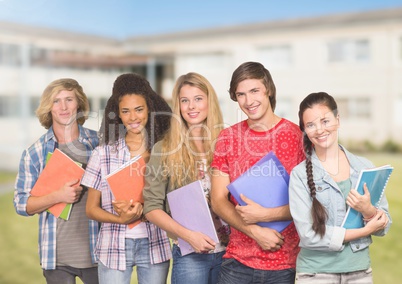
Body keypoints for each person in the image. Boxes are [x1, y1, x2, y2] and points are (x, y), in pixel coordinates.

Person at [210, 61, 305, 284]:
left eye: (254, 91)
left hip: (286, 264)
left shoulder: (298, 137)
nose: (249, 101)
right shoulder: (227, 138)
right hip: (236, 264)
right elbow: (217, 199)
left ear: (268, 90)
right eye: (241, 94)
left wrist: (266, 215)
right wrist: (255, 231)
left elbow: (311, 203)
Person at [288, 92, 391, 283]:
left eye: (325, 121)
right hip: (315, 274)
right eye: (311, 125)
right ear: (305, 131)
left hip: (359, 272)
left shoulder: (365, 167)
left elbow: (384, 226)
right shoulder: (300, 175)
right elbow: (308, 235)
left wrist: (368, 210)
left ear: (338, 120)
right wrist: (364, 231)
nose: (319, 130)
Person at [80, 73, 172, 284]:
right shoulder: (102, 154)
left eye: (139, 109)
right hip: (113, 246)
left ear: (149, 109)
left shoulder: (164, 151)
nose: (133, 118)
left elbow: (173, 198)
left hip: (154, 245)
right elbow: (91, 209)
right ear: (118, 115)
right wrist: (120, 219)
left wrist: (147, 208)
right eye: (126, 111)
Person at [143, 72, 229, 284]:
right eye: (184, 100)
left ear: (210, 102)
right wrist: (188, 236)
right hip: (191, 255)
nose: (191, 106)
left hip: (232, 254)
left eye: (198, 99)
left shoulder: (227, 141)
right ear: (178, 106)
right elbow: (152, 208)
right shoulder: (164, 149)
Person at [13, 78, 99, 283]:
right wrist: (57, 196)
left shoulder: (99, 143)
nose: (63, 107)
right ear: (48, 108)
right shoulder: (34, 153)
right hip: (56, 259)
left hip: (98, 253)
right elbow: (21, 204)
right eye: (56, 101)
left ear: (79, 104)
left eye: (69, 99)